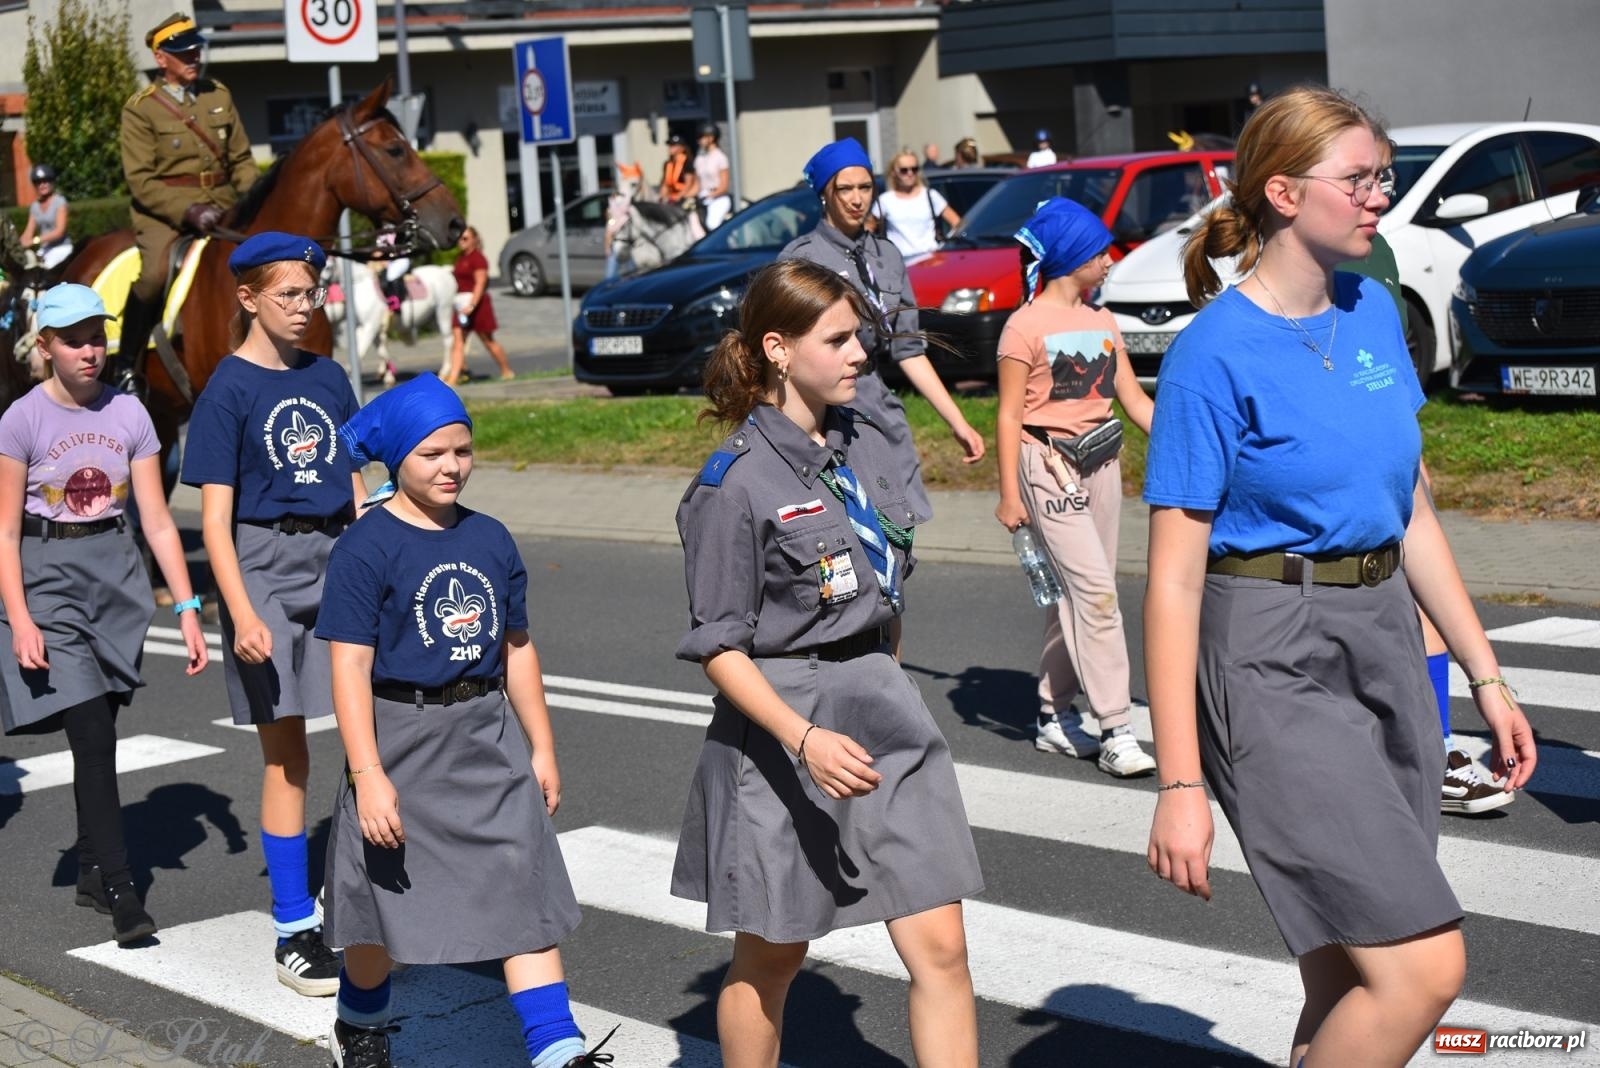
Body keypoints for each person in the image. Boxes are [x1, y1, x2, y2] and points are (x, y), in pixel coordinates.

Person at [1142, 86, 1537, 1067]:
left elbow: (1408, 510)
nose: (1378, 197)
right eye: (1356, 178)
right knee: (1420, 970)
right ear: (1282, 192)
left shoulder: (1367, 312)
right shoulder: (1210, 354)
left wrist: (1486, 677)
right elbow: (1173, 585)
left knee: (1347, 971)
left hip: (1383, 638)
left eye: (1381, 176)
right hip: (1269, 651)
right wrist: (1180, 781)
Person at [674, 259, 982, 1067]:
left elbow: (889, 584)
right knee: (775, 957)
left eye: (861, 339)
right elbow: (720, 646)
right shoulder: (733, 484)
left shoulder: (865, 447)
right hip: (785, 729)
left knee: (943, 949)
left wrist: (892, 682)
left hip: (882, 706)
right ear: (777, 348)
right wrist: (804, 739)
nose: (858, 356)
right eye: (838, 339)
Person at [316, 373, 613, 1068]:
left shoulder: (490, 537)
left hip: (486, 735)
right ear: (396, 460)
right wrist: (369, 777)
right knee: (376, 914)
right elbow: (350, 670)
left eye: (463, 450)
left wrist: (542, 746)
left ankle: (556, 1047)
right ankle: (360, 1026)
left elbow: (517, 649)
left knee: (523, 885)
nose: (451, 467)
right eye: (432, 455)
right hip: (401, 743)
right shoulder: (365, 548)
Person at [180, 232, 365, 998]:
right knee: (288, 754)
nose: (304, 307)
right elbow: (213, 521)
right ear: (248, 298)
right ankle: (294, 927)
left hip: (336, 559)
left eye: (312, 292)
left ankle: (362, 893)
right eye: (288, 295)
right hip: (260, 565)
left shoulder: (329, 377)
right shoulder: (227, 388)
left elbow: (356, 489)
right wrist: (240, 608)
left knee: (370, 733)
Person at [0, 284, 208, 944]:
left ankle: (91, 868)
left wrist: (189, 605)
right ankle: (122, 889)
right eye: (75, 339)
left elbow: (156, 520)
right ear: (46, 346)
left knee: (106, 723)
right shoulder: (21, 421)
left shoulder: (131, 415)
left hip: (117, 577)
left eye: (98, 336)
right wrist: (22, 620)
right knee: (90, 732)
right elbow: (4, 533)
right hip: (48, 576)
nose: (91, 350)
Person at [993, 198, 1157, 778]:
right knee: (1095, 596)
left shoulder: (1102, 320)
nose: (1110, 261)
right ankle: (1115, 727)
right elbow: (1010, 415)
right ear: (1072, 257)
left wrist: (1188, 445)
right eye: (1101, 251)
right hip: (1047, 468)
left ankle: (1051, 715)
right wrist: (1009, 494)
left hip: (1103, 466)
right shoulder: (1024, 326)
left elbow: (1133, 400)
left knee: (1081, 593)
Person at [780, 137, 985, 525]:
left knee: (902, 524)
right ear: (825, 194)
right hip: (822, 410)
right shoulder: (802, 258)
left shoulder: (886, 255)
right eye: (845, 189)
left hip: (876, 403)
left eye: (865, 188)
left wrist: (959, 422)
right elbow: (783, 353)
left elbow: (909, 349)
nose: (857, 199)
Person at [118, 13, 258, 394]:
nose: (194, 56)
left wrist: (254, 200)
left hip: (223, 204)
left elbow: (241, 160)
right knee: (152, 277)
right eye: (184, 52)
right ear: (161, 59)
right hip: (166, 215)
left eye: (196, 49)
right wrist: (188, 211)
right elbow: (141, 181)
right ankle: (127, 367)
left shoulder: (218, 94)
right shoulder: (141, 108)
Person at [442, 226, 515, 385]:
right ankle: (453, 378)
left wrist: (472, 305)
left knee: (488, 341)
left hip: (477, 305)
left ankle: (506, 370)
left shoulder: (478, 259)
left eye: (465, 238)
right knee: (458, 340)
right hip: (461, 305)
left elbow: (480, 283)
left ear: (475, 240)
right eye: (460, 238)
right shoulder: (460, 258)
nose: (461, 242)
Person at [871, 149, 962, 262]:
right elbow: (868, 228)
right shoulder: (885, 200)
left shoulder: (930, 196)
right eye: (904, 170)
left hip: (930, 260)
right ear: (894, 172)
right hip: (899, 262)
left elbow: (957, 223)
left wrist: (945, 245)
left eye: (914, 169)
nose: (910, 173)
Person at [20, 164, 72, 270]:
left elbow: (59, 231)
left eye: (45, 181)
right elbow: (28, 232)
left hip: (61, 248)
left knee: (44, 272)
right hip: (44, 249)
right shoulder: (35, 206)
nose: (42, 185)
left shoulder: (60, 202)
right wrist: (17, 245)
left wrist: (35, 240)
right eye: (38, 182)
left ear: (51, 182)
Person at [694, 124, 733, 230]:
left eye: (701, 137)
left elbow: (724, 186)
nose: (699, 140)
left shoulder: (720, 158)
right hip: (702, 198)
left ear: (711, 138)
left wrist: (709, 196)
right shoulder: (699, 159)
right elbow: (697, 185)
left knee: (712, 224)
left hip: (718, 199)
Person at [658, 132, 696, 209]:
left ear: (682, 148)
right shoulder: (667, 164)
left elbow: (689, 184)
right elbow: (665, 184)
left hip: (685, 197)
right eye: (670, 145)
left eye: (673, 145)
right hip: (671, 198)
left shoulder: (687, 162)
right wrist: (662, 197)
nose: (670, 147)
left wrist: (679, 197)